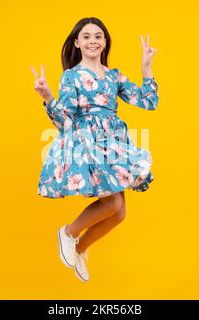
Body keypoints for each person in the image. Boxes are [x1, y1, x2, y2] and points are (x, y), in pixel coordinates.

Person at [30, 17, 158, 282]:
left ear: (105, 42)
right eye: (86, 36)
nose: (93, 41)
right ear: (77, 42)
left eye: (98, 36)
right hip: (87, 143)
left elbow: (148, 102)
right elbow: (64, 120)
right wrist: (48, 98)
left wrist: (147, 68)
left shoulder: (114, 76)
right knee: (112, 202)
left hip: (112, 143)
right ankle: (67, 233)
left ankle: (79, 249)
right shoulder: (72, 76)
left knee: (119, 212)